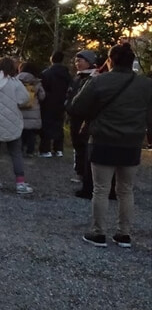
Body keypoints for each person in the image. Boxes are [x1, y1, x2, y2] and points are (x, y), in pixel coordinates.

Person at [70, 43, 152, 248]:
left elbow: (76, 107)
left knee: (101, 188)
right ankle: (124, 234)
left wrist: (91, 83)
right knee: (126, 190)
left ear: (110, 60)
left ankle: (98, 233)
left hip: (103, 140)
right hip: (132, 142)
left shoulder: (99, 81)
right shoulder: (146, 84)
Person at [0, 57, 33, 194]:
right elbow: (24, 99)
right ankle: (20, 183)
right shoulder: (15, 83)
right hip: (12, 121)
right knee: (16, 152)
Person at [66, 50, 98, 187]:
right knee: (77, 145)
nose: (77, 63)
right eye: (76, 61)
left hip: (86, 118)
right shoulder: (77, 78)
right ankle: (79, 173)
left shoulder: (94, 77)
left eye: (80, 61)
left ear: (89, 62)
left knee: (85, 146)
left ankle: (87, 175)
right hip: (74, 117)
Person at [39, 51, 72, 157]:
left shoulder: (46, 73)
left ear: (51, 59)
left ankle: (45, 150)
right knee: (59, 126)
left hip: (48, 102)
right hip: (61, 102)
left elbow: (43, 89)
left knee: (46, 126)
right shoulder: (66, 73)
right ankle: (58, 149)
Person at [16, 62, 46, 157]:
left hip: (19, 111)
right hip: (33, 112)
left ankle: (18, 150)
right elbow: (42, 96)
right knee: (31, 134)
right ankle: (30, 152)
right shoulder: (36, 82)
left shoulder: (16, 80)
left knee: (19, 133)